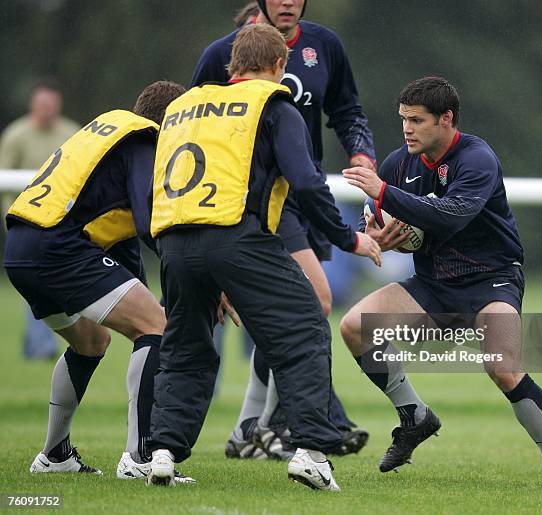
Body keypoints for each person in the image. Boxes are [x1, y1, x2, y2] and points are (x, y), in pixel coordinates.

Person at [146, 24, 381, 491]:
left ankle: (162, 453)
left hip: (172, 240)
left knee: (185, 347)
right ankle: (311, 451)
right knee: (306, 325)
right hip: (235, 236)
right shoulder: (272, 104)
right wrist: (349, 239)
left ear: (231, 65)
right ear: (279, 67)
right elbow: (307, 181)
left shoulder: (182, 107)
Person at [340, 76, 542, 486]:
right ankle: (414, 416)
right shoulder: (400, 163)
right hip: (434, 286)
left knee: (503, 368)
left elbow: (449, 215)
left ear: (446, 118)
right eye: (403, 119)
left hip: (492, 280)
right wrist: (377, 230)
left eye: (416, 120)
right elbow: (379, 213)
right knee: (354, 327)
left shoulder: (477, 158)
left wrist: (385, 194)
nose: (407, 129)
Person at [3, 80, 196, 482]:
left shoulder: (109, 129)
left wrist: (145, 292)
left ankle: (55, 455)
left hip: (22, 247)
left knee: (92, 342)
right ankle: (139, 457)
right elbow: (147, 222)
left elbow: (117, 235)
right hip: (58, 247)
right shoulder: (146, 140)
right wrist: (192, 275)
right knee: (155, 327)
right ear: (172, 120)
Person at [0, 78, 80, 360]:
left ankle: (45, 344)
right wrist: (12, 222)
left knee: (57, 286)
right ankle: (42, 347)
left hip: (64, 227)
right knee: (37, 284)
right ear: (33, 105)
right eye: (42, 105)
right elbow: (4, 179)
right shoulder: (16, 135)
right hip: (26, 225)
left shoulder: (72, 132)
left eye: (52, 105)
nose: (47, 110)